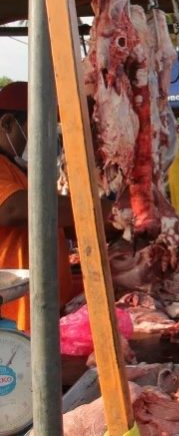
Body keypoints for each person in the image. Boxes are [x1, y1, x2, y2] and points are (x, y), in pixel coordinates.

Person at [0, 81, 74, 332]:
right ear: (8, 124)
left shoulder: (20, 169)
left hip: (44, 309)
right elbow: (13, 209)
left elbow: (53, 217)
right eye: (38, 126)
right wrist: (91, 212)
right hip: (15, 314)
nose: (45, 136)